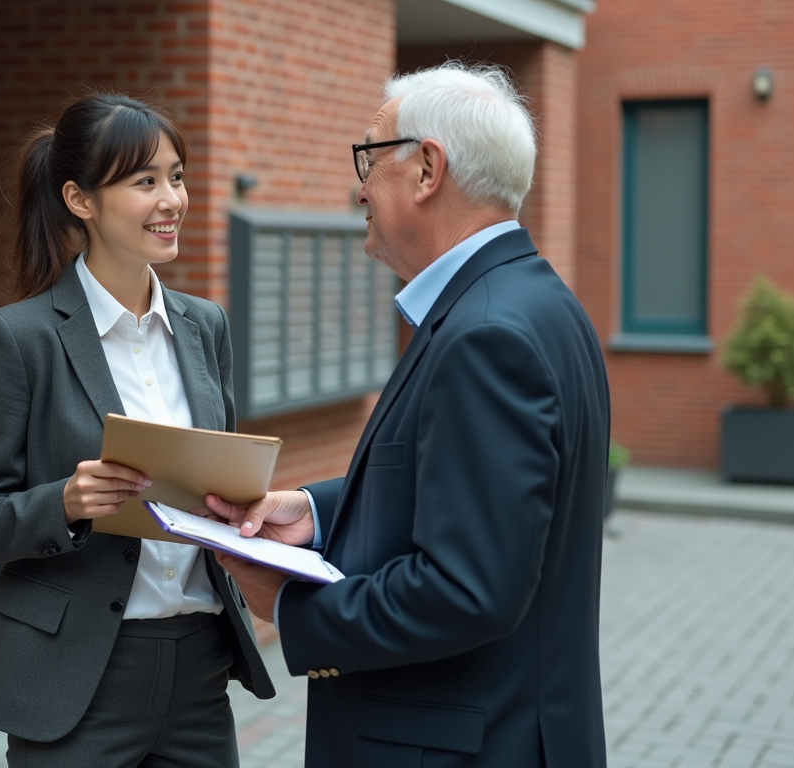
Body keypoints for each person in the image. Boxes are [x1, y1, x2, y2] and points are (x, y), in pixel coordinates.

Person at [206, 64, 610, 767]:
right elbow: (464, 489)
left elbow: (466, 590)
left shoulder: (486, 335)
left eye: (369, 156)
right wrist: (315, 510)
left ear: (427, 169)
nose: (357, 187)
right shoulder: (536, 304)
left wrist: (292, 608)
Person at [0, 92, 274, 767]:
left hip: (198, 670)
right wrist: (64, 503)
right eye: (144, 181)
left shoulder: (204, 325)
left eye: (177, 177)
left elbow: (220, 484)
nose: (171, 200)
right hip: (76, 681)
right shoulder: (19, 338)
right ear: (80, 200)